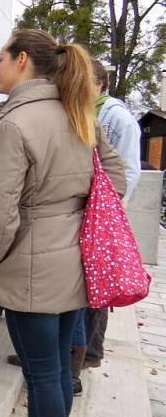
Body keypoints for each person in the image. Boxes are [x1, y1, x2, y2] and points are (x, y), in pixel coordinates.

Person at [0, 29, 125, 417]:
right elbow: (117, 179)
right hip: (73, 260)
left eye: (0, 59)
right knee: (58, 370)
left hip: (32, 264)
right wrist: (74, 218)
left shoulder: (15, 122)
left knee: (43, 375)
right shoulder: (77, 109)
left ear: (23, 60)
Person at [83, 59, 143, 371]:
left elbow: (130, 169)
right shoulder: (81, 111)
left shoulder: (117, 117)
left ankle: (90, 352)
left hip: (103, 215)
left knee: (98, 281)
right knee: (83, 283)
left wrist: (111, 209)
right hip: (88, 211)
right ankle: (76, 352)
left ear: (100, 84)